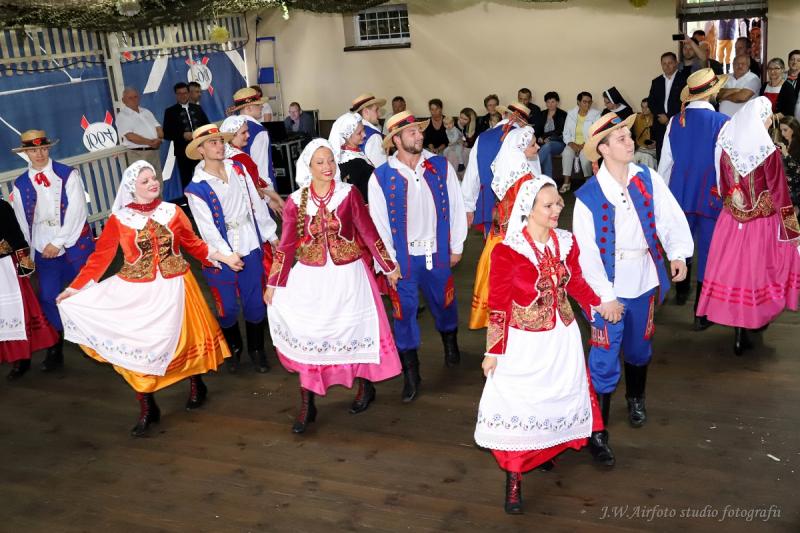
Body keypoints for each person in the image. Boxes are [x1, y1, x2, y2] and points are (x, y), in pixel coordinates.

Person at [56, 161, 242, 436]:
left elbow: (193, 243)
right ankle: (147, 406)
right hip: (137, 293)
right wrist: (74, 289)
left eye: (153, 178)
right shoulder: (120, 219)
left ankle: (196, 384)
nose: (153, 183)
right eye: (145, 181)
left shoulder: (172, 211)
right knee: (139, 346)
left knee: (185, 340)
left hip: (177, 285)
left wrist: (224, 257)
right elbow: (100, 257)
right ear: (132, 188)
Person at [474, 176, 615, 515]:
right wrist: (493, 351)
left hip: (562, 337)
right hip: (524, 342)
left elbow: (575, 281)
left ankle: (547, 450)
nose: (557, 210)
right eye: (548, 205)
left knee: (556, 399)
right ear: (529, 209)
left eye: (558, 203)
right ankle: (514, 480)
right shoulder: (508, 251)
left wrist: (598, 304)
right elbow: (499, 305)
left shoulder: (565, 242)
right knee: (522, 406)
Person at [264, 139, 402, 433]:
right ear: (309, 167)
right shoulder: (296, 201)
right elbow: (287, 245)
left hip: (348, 275)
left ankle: (365, 385)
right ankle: (307, 402)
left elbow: (368, 232)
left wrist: (389, 266)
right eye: (320, 162)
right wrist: (274, 282)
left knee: (354, 331)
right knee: (311, 334)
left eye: (330, 160)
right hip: (311, 279)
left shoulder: (348, 193)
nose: (327, 167)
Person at [573, 112, 693, 432]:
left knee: (639, 347)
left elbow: (668, 215)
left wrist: (677, 252)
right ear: (603, 149)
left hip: (643, 278)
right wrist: (606, 296)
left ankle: (636, 398)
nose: (630, 142)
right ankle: (598, 427)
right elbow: (586, 255)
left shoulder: (646, 178)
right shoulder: (588, 196)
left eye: (629, 136)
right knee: (604, 354)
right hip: (606, 287)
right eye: (622, 138)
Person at [368, 111, 468, 402]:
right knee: (403, 313)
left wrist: (457, 245)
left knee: (445, 302)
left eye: (419, 131)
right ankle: (411, 374)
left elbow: (457, 204)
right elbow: (379, 224)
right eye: (412, 132)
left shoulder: (440, 166)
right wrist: (389, 264)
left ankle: (450, 342)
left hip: (437, 252)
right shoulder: (381, 177)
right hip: (404, 260)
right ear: (396, 140)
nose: (420, 135)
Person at [697, 97, 800, 355]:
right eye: (767, 117)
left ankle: (739, 332)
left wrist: (733, 197)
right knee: (758, 274)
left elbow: (723, 184)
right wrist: (792, 230)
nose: (769, 121)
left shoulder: (727, 145)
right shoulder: (768, 151)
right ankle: (754, 322)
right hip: (762, 225)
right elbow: (780, 193)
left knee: (735, 275)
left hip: (731, 223)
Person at [185, 124, 279, 374]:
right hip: (220, 255)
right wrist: (227, 256)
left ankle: (257, 349)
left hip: (250, 242)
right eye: (213, 143)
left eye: (221, 141)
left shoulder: (238, 169)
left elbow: (256, 204)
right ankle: (234, 348)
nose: (219, 146)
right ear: (201, 150)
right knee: (226, 307)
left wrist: (270, 234)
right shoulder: (196, 188)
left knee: (255, 301)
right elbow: (207, 229)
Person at [11, 129, 95, 372]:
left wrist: (58, 242)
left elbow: (77, 212)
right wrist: (28, 254)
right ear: (25, 153)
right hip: (42, 247)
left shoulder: (67, 174)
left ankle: (99, 340)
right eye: (33, 150)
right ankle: (57, 343)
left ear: (48, 148)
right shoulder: (20, 184)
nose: (39, 154)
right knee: (48, 297)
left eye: (43, 148)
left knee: (86, 293)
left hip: (73, 244)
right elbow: (22, 222)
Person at [658, 68, 729, 326]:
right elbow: (724, 165)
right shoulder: (722, 122)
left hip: (679, 194)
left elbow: (666, 163)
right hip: (711, 195)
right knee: (709, 251)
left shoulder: (675, 121)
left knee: (681, 242)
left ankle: (681, 291)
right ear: (713, 93)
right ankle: (701, 313)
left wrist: (662, 197)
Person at [468, 126, 540, 330]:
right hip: (516, 237)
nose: (537, 147)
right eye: (532, 144)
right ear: (519, 149)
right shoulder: (523, 177)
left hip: (500, 235)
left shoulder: (510, 170)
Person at [0, 198, 58, 381]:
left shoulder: (1, 207)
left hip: (5, 269)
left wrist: (25, 266)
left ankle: (22, 358)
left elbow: (16, 238)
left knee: (16, 314)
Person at [462, 102, 531, 235]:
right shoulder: (524, 138)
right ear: (524, 123)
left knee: (492, 242)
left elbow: (472, 174)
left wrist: (468, 207)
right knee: (518, 242)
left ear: (503, 114)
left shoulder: (482, 137)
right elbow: (533, 174)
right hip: (517, 203)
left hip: (487, 201)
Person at [231, 87, 285, 215]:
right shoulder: (259, 131)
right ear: (249, 108)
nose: (262, 106)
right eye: (258, 105)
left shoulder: (230, 128)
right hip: (258, 192)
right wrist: (270, 196)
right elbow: (260, 169)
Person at [163, 82, 210, 194]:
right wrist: (182, 135)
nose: (183, 96)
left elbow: (207, 126)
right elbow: (166, 133)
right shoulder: (170, 111)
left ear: (189, 93)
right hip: (182, 151)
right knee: (186, 179)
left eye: (185, 93)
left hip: (200, 149)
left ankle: (207, 197)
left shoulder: (197, 108)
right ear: (176, 95)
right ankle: (189, 201)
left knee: (204, 175)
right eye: (179, 93)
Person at [647, 52, 688, 160]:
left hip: (678, 122)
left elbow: (685, 101)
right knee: (662, 156)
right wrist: (660, 116)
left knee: (678, 155)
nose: (667, 66)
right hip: (660, 124)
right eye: (664, 63)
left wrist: (669, 117)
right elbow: (651, 102)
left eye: (670, 63)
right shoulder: (656, 82)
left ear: (676, 63)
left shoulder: (684, 80)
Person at [116, 87, 164, 176]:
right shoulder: (122, 116)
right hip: (138, 154)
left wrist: (159, 139)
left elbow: (158, 127)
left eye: (135, 97)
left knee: (157, 180)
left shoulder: (146, 112)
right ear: (123, 100)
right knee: (143, 180)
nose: (134, 100)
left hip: (154, 152)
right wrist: (150, 142)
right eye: (130, 98)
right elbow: (130, 136)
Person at [560, 92, 600, 193]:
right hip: (573, 143)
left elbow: (596, 133)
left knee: (584, 156)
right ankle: (566, 182)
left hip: (587, 144)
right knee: (566, 153)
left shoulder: (596, 114)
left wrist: (584, 145)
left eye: (589, 102)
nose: (587, 104)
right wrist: (571, 143)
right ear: (578, 102)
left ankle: (588, 182)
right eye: (584, 102)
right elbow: (566, 132)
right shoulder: (571, 114)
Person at [328, 112, 373, 200]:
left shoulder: (346, 154)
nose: (364, 134)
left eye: (363, 130)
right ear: (347, 136)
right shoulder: (354, 162)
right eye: (359, 133)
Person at [535, 91, 568, 178]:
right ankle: (549, 180)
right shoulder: (541, 114)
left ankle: (533, 168)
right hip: (542, 143)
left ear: (557, 102)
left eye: (553, 102)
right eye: (548, 102)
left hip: (558, 143)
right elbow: (537, 130)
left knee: (548, 146)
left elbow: (560, 131)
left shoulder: (563, 114)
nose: (550, 104)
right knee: (547, 154)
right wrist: (539, 137)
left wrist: (548, 138)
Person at [350, 93, 387, 168]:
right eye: (376, 110)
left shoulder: (351, 131)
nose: (379, 114)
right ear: (366, 112)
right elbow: (381, 168)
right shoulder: (374, 136)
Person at [778, 116, 800, 212]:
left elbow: (798, 170)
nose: (783, 134)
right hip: (783, 192)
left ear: (793, 129)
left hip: (796, 196)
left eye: (785, 130)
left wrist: (786, 154)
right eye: (781, 130)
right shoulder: (784, 144)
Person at [633, 99, 657, 169]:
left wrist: (656, 144)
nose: (644, 109)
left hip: (654, 148)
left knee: (646, 157)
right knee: (635, 156)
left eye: (647, 107)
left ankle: (647, 175)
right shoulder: (637, 118)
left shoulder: (657, 118)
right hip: (641, 146)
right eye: (642, 107)